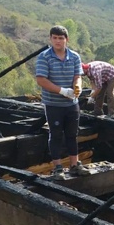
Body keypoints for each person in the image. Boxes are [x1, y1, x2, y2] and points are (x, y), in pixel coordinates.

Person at [36, 25, 91, 180]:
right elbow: (41, 80)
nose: (58, 41)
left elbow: (77, 75)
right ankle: (58, 168)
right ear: (50, 39)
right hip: (53, 104)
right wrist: (61, 90)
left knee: (72, 135)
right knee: (56, 135)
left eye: (61, 38)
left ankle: (74, 165)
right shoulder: (44, 57)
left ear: (66, 40)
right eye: (55, 38)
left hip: (71, 104)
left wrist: (78, 85)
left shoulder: (74, 56)